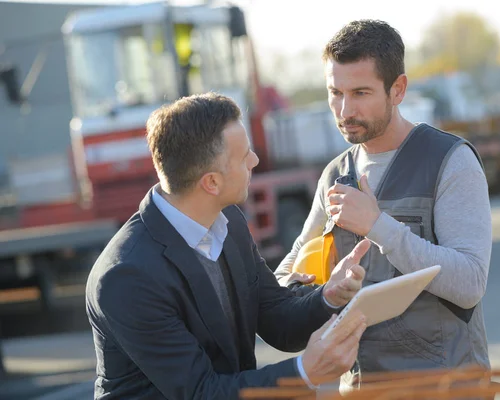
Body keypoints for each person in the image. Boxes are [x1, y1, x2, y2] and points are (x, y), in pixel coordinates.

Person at [85, 93, 371, 399]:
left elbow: (274, 316)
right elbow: (201, 392)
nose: (255, 161)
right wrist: (304, 372)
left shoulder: (228, 221)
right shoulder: (127, 277)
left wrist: (328, 296)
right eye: (245, 155)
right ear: (211, 183)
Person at [275, 19, 493, 382]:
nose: (345, 111)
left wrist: (378, 227)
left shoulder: (450, 160)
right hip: (363, 388)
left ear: (398, 89)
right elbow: (285, 278)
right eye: (335, 93)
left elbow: (469, 284)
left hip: (447, 389)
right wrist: (321, 293)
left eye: (360, 93)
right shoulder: (335, 175)